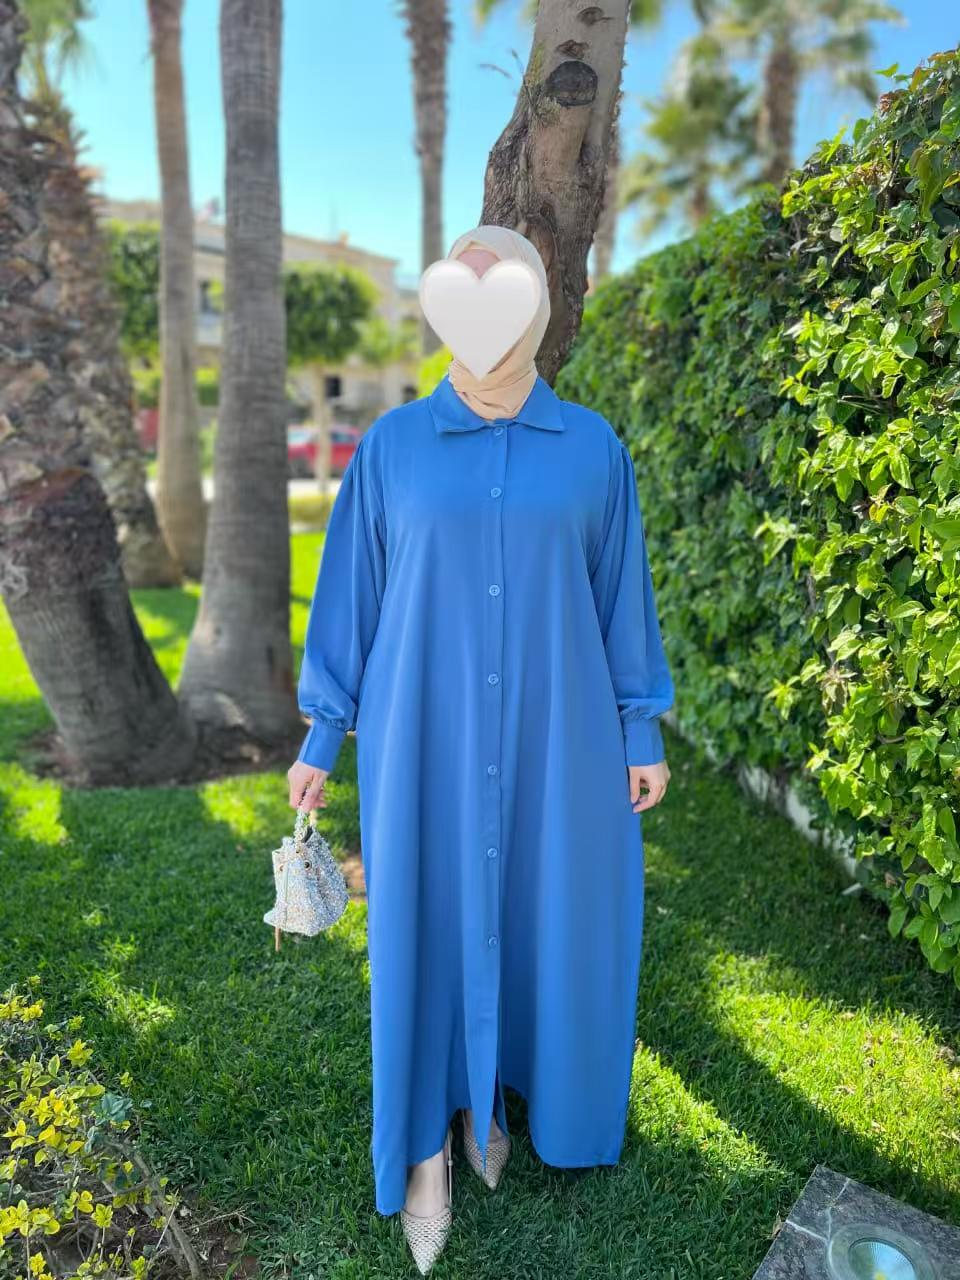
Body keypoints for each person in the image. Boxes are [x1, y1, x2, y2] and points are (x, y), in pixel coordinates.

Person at [286, 224, 674, 1275]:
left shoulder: (593, 448)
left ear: (538, 303)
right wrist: (324, 730)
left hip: (562, 732)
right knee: (426, 919)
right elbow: (352, 595)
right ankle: (427, 1144)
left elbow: (620, 597)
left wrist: (639, 725)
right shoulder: (393, 448)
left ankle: (495, 1101)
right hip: (423, 732)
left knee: (554, 910)